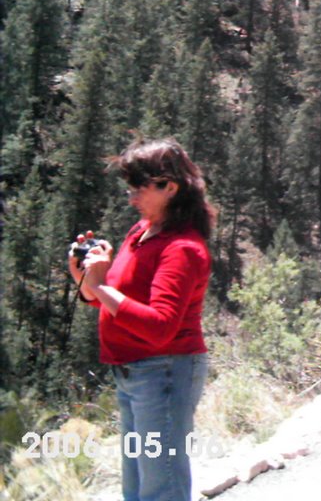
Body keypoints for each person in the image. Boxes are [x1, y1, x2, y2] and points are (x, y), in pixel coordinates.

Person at [69, 137, 214, 501]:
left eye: (139, 189)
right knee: (137, 488)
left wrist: (99, 284)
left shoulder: (182, 249)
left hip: (163, 371)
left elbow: (159, 326)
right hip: (136, 374)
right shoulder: (141, 233)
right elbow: (111, 298)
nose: (131, 198)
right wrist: (85, 279)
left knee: (160, 487)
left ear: (170, 187)